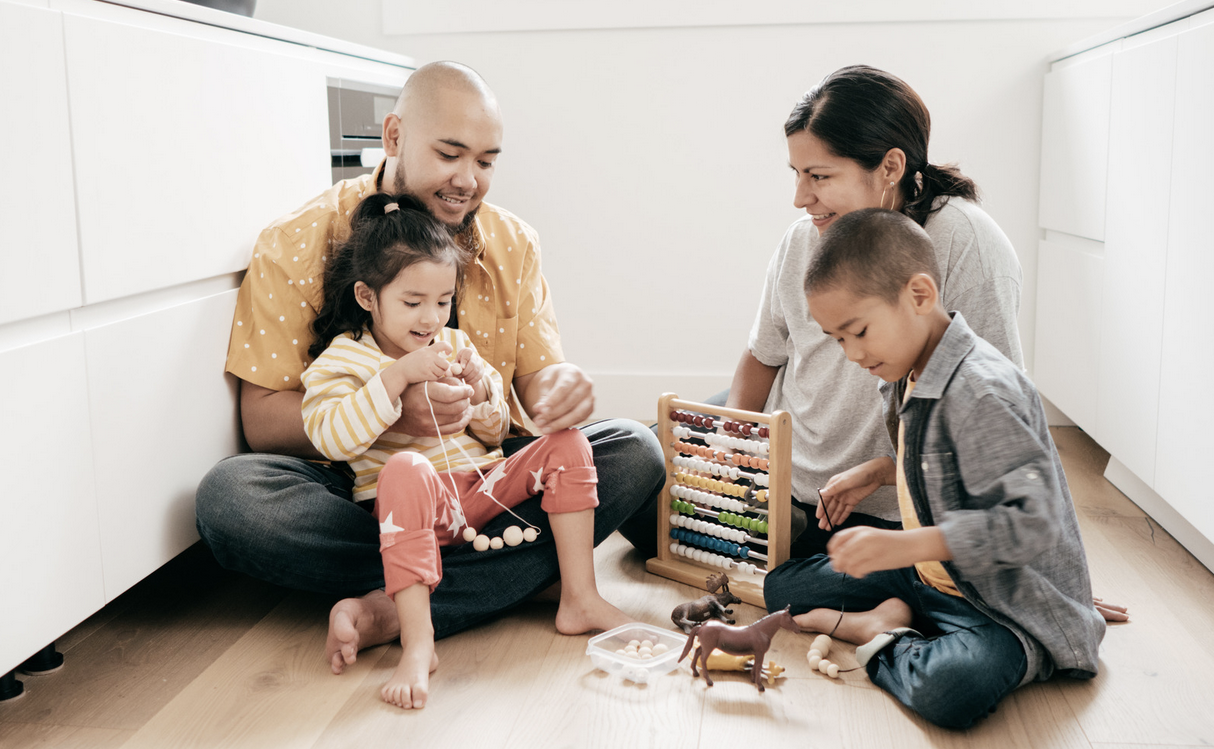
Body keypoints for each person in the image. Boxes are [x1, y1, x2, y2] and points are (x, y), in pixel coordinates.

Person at [194, 62, 663, 672]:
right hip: (359, 485)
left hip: (484, 485)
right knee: (231, 503)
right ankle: (512, 579)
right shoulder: (296, 240)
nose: (467, 180)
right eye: (449, 154)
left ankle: (398, 607)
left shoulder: (513, 241)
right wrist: (393, 414)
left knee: (635, 449)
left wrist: (560, 389)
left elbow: (531, 385)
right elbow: (260, 421)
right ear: (393, 137)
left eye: (487, 161)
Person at [764, 208, 1105, 730]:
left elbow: (1033, 523)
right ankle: (895, 615)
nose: (852, 353)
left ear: (919, 295)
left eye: (858, 332)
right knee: (782, 587)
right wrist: (880, 471)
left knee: (953, 687)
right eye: (837, 339)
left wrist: (907, 545)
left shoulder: (985, 391)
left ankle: (883, 638)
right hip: (928, 575)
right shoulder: (908, 369)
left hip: (998, 604)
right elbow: (945, 462)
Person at [302, 191, 629, 709]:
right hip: (409, 513)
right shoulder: (341, 361)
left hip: (483, 495)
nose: (431, 318)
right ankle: (418, 640)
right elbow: (329, 436)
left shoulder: (454, 345)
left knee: (569, 440)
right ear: (368, 297)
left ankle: (579, 597)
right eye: (412, 303)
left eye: (443, 301)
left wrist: (481, 395)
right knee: (405, 466)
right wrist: (396, 378)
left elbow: (497, 434)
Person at [728, 65, 1024, 557]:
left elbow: (1001, 414)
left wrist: (1020, 562)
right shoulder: (805, 236)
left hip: (885, 507)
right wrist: (733, 452)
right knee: (651, 471)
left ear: (890, 167)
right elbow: (765, 354)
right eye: (797, 175)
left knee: (830, 579)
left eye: (819, 176)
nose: (801, 199)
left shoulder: (966, 242)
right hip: (788, 475)